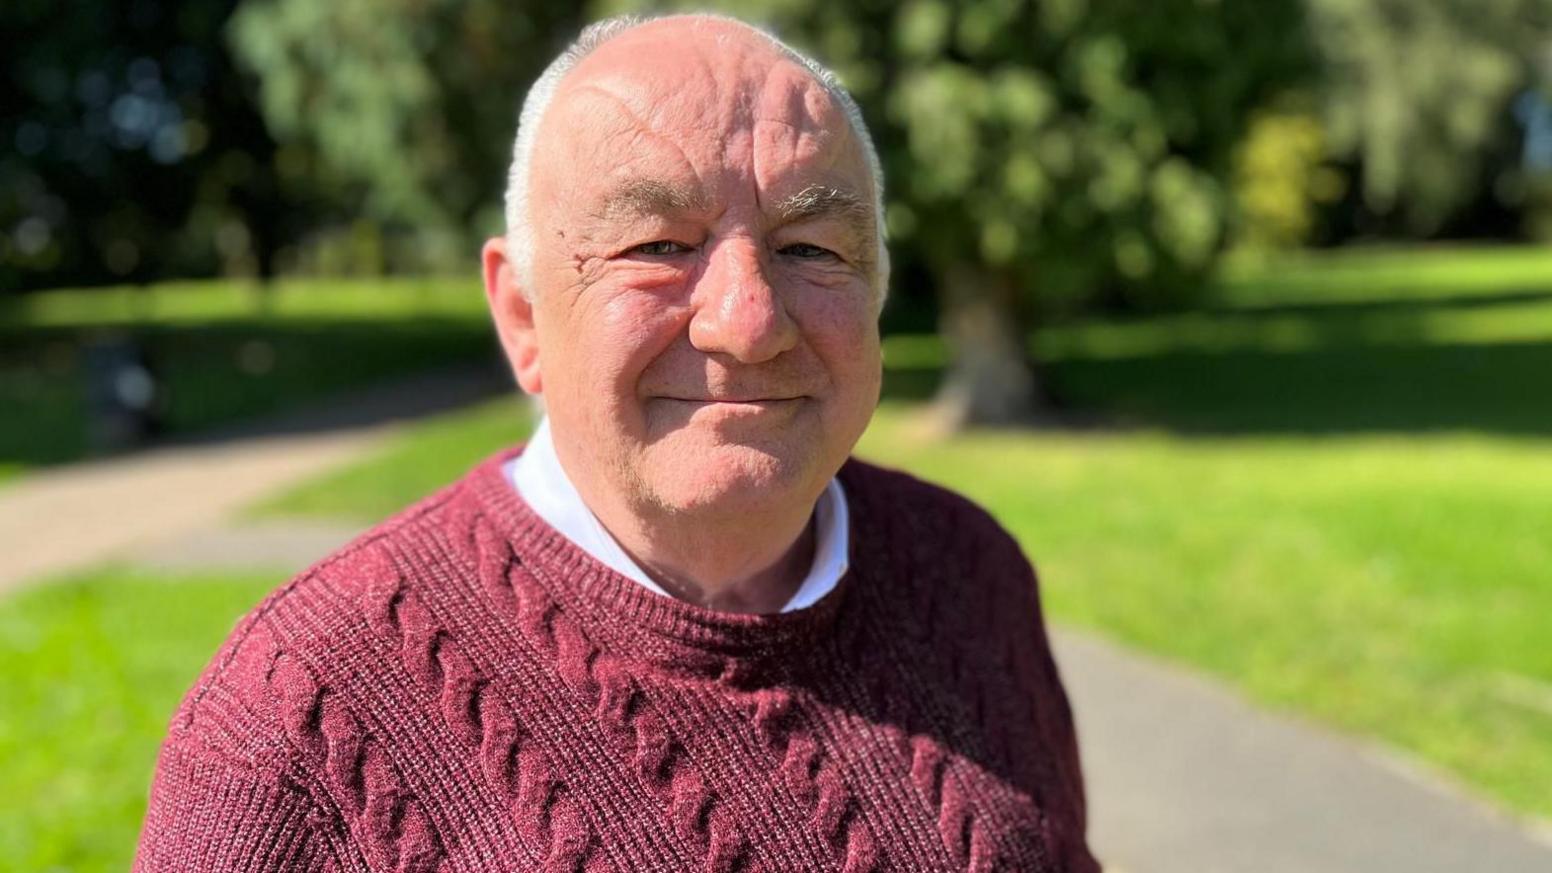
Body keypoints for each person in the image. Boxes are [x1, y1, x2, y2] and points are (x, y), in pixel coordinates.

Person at [133, 13, 1099, 872]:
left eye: (811, 249)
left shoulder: (970, 571)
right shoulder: (297, 720)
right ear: (522, 315)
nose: (748, 320)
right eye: (658, 247)